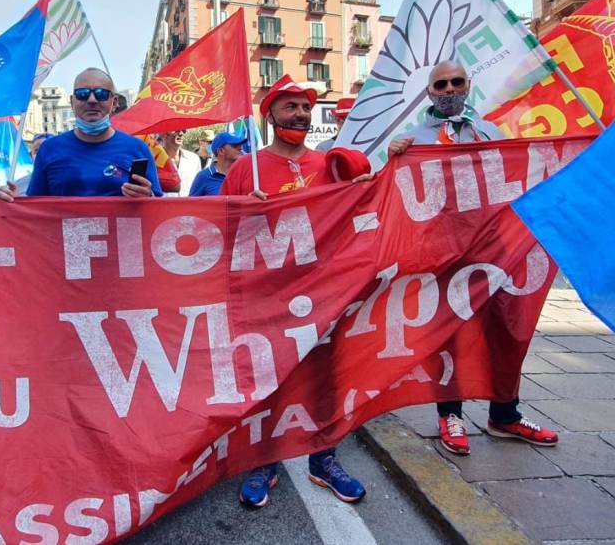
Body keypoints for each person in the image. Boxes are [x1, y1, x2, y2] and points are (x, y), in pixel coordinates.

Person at [388, 60, 559, 455]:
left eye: (456, 82)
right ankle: (451, 414)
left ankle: (505, 414)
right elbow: (392, 193)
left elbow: (520, 178)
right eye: (440, 85)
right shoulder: (412, 140)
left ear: (468, 85)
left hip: (496, 252)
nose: (449, 90)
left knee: (507, 329)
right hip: (442, 256)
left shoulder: (490, 133)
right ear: (429, 93)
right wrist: (394, 158)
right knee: (448, 335)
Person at [221, 74, 370, 508]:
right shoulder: (243, 169)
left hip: (324, 292)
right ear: (270, 115)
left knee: (326, 377)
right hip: (266, 296)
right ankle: (263, 461)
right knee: (268, 378)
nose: (301, 115)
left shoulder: (329, 165)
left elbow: (355, 214)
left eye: (305, 108)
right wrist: (243, 212)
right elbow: (217, 231)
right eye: (290, 107)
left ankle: (323, 459)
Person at [0, 68, 161, 200]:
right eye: (82, 94)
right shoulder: (49, 150)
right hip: (60, 242)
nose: (91, 100)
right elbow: (36, 208)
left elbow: (161, 213)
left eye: (101, 94)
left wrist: (148, 197)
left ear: (114, 102)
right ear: (72, 101)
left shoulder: (138, 149)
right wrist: (14, 203)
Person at [188, 131, 246, 196]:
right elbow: (191, 205)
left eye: (241, 145)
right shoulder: (203, 177)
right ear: (221, 151)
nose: (240, 148)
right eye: (235, 146)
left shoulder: (245, 175)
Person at [159, 129, 201, 197]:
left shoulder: (194, 159)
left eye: (184, 130)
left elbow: (199, 187)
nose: (181, 133)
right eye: (177, 130)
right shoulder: (155, 160)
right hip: (164, 206)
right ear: (163, 134)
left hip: (189, 206)